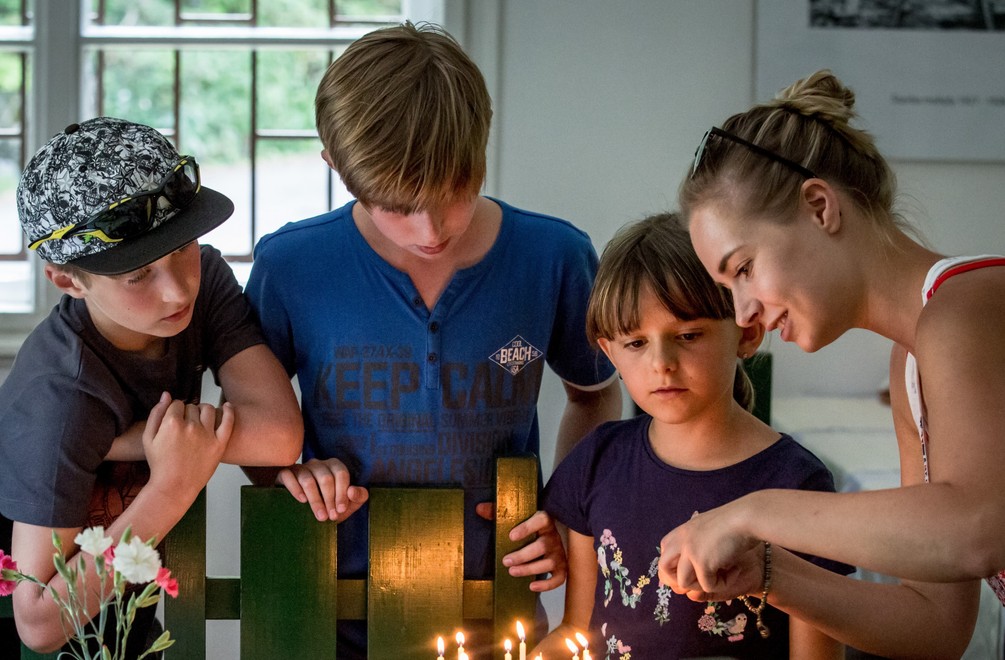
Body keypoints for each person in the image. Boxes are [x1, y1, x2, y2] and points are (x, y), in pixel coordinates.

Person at [243, 20, 622, 657]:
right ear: (336, 166)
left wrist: (562, 507)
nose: (430, 228)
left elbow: (593, 392)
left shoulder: (554, 257)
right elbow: (253, 424)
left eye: (455, 192)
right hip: (326, 606)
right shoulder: (291, 266)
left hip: (500, 604)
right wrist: (286, 473)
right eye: (397, 204)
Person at [658, 69, 1005, 657]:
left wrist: (756, 511)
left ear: (819, 207)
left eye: (743, 269)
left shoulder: (967, 307)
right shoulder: (910, 367)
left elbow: (979, 529)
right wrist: (771, 573)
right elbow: (937, 625)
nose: (745, 315)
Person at [0, 117, 303, 656]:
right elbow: (39, 621)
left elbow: (278, 434)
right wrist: (172, 484)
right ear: (66, 279)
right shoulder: (60, 398)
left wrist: (132, 440)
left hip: (128, 605)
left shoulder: (205, 283)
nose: (175, 290)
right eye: (137, 274)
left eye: (183, 248)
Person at [533, 213, 850, 659]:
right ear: (609, 353)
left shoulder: (796, 482)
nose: (661, 362)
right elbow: (574, 629)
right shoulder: (597, 463)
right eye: (636, 343)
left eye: (687, 334)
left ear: (747, 332)